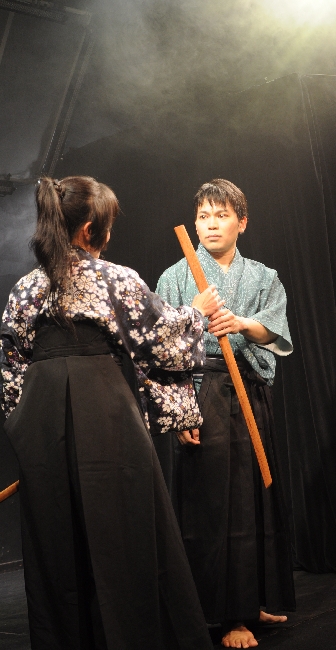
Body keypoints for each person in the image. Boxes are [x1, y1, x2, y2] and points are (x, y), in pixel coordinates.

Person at [0, 175, 222, 650]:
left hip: (40, 423)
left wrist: (23, 426)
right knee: (123, 530)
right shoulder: (114, 278)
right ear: (89, 230)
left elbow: (11, 366)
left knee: (57, 541)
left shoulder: (24, 289)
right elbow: (162, 340)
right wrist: (197, 312)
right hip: (104, 410)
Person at [156, 178, 296, 648]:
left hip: (249, 391)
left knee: (254, 499)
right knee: (215, 505)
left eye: (221, 215)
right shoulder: (175, 277)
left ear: (242, 222)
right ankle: (226, 614)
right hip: (203, 394)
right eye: (203, 216)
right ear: (194, 224)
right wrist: (181, 413)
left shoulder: (263, 276)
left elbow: (274, 330)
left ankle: (252, 599)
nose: (211, 224)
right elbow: (162, 351)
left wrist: (239, 323)